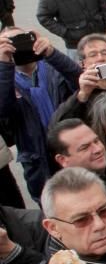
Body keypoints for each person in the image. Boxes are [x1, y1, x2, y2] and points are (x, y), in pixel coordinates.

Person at [0, 28, 79, 200]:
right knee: (52, 205)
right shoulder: (5, 79)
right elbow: (3, 110)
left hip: (69, 146)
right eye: (8, 43)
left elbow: (78, 81)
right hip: (37, 158)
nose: (16, 47)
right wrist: (4, 65)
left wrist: (51, 53)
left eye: (21, 40)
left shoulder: (54, 67)